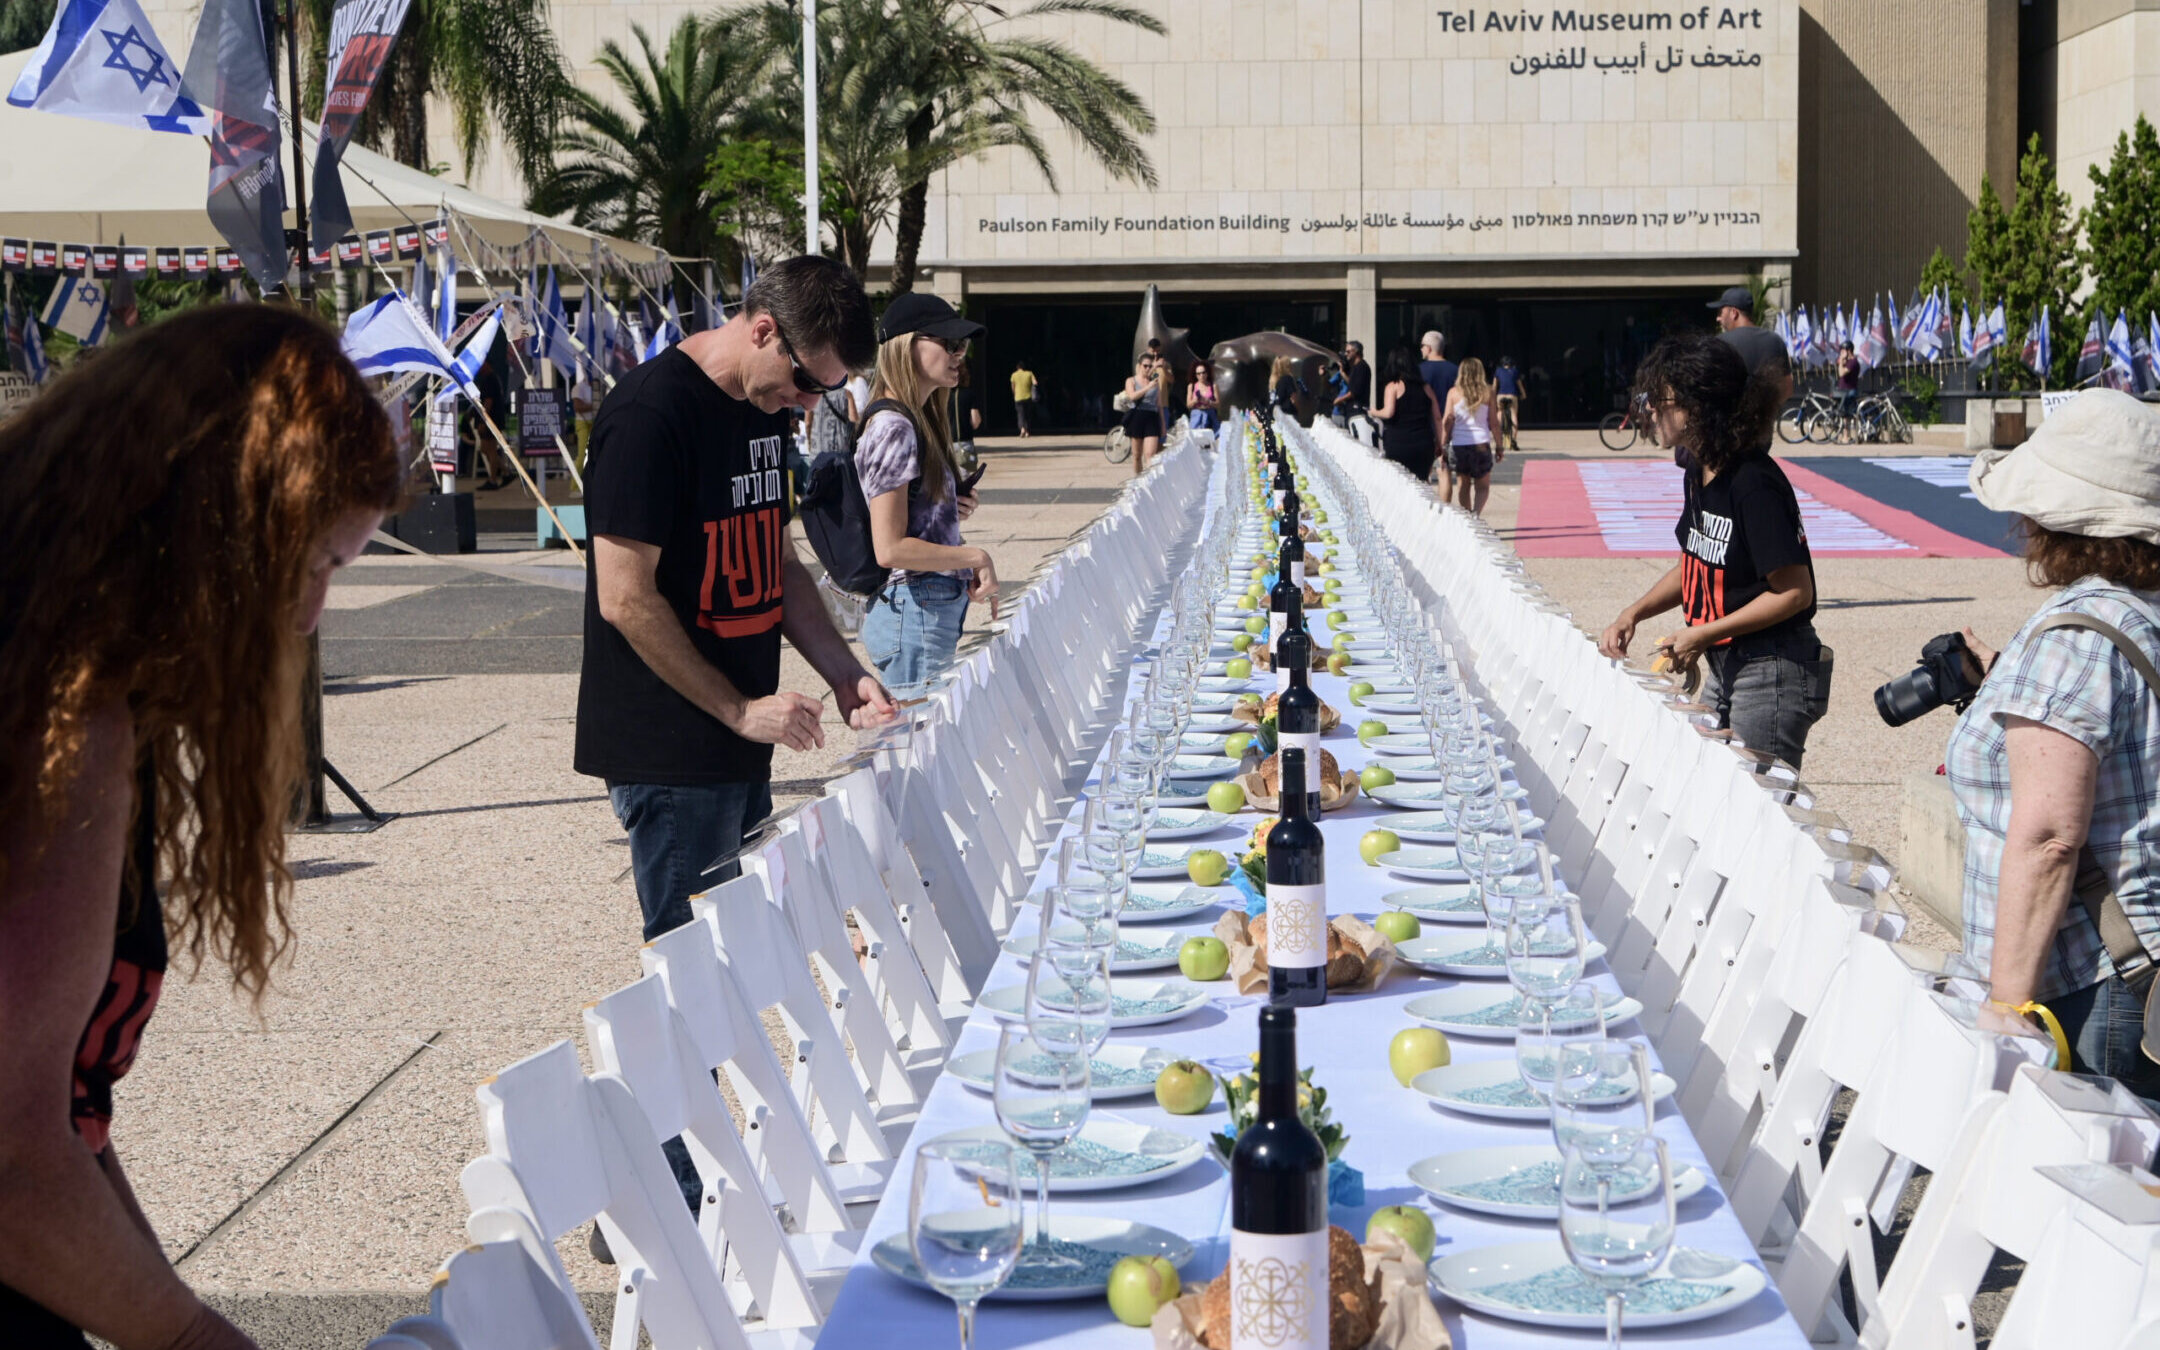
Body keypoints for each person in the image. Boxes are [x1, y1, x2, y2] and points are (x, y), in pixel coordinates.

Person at [0, 305, 404, 1349]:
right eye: (313, 563)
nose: (310, 616)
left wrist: (155, 1301)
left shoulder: (84, 694)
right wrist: (189, 1338)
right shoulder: (62, 715)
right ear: (213, 530)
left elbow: (66, 1119)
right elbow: (9, 1151)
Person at [577, 253, 896, 952]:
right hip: (672, 750)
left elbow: (774, 561)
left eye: (827, 392)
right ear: (761, 331)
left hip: (744, 740)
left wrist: (844, 673)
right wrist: (739, 711)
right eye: (807, 381)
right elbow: (624, 598)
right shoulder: (648, 415)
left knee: (744, 956)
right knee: (697, 967)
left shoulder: (762, 408)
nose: (809, 404)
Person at [1947, 391, 2160, 1097]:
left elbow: (2048, 839)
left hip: (2088, 982)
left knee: (2084, 1189)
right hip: (2140, 963)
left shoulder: (2076, 638)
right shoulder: (2136, 614)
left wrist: (2008, 1004)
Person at [1597, 331, 1830, 769]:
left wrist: (1701, 633)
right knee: (1714, 790)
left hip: (1773, 668)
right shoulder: (1701, 471)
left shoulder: (1752, 483)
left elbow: (1796, 593)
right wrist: (1634, 613)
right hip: (1728, 662)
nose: (1650, 409)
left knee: (1758, 810)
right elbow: (1696, 562)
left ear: (1696, 405)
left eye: (1659, 398)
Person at [858, 293, 1000, 696]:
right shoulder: (894, 426)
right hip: (914, 609)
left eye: (963, 345)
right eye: (949, 343)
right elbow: (890, 548)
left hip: (921, 609)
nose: (959, 354)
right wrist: (974, 556)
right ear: (907, 344)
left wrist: (943, 511)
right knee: (915, 750)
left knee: (924, 745)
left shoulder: (912, 419)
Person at [1371, 346, 1442, 484]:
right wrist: (1439, 443)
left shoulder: (1393, 386)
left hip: (1398, 442)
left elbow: (1388, 412)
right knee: (1421, 483)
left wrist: (1374, 412)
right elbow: (1437, 417)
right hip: (1423, 442)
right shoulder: (1426, 388)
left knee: (1399, 484)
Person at [1442, 358, 1500, 516]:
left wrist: (1443, 445)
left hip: (1459, 444)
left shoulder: (1453, 393)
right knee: (1482, 486)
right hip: (1480, 442)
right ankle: (1476, 514)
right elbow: (1494, 423)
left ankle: (1468, 517)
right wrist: (1500, 446)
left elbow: (1447, 421)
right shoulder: (1488, 392)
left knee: (1463, 484)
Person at [1419, 330, 1460, 499]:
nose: (1420, 349)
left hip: (1424, 427)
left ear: (1428, 348)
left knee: (1421, 473)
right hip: (1450, 427)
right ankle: (1446, 510)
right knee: (1444, 471)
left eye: (1422, 346)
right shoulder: (1455, 370)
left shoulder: (1418, 370)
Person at [1122, 352, 1167, 474]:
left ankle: (1149, 482)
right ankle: (1137, 481)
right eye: (1145, 366)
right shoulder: (1131, 380)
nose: (1147, 368)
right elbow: (1132, 396)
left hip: (1152, 417)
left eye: (1149, 366)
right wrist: (1148, 387)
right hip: (1137, 416)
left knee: (1150, 454)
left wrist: (1163, 425)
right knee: (1137, 455)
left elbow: (1159, 405)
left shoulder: (1155, 382)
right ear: (1140, 366)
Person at [950, 361, 982, 473]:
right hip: (964, 442)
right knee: (964, 482)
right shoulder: (969, 395)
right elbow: (975, 421)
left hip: (944, 442)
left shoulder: (940, 396)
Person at [1494, 355, 1525, 454]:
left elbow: (1495, 386)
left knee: (1500, 412)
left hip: (1501, 395)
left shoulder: (1498, 371)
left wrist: (1492, 396)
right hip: (1512, 395)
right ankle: (1513, 440)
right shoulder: (1515, 371)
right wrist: (1523, 395)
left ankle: (1498, 439)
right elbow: (1519, 385)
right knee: (1513, 414)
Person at [1338, 340, 1372, 414]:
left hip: (1358, 409)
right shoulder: (1354, 367)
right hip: (1351, 409)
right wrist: (1342, 372)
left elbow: (1354, 391)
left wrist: (1339, 400)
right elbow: (1352, 384)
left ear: (1356, 351)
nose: (1346, 354)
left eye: (1348, 351)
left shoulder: (1362, 367)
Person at [1187, 361, 1220, 432]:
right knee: (1196, 438)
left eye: (1203, 372)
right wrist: (1195, 401)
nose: (1201, 375)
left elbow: (1218, 404)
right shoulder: (1191, 386)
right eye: (1198, 374)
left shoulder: (1213, 386)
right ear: (1195, 375)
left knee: (1212, 438)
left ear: (1207, 373)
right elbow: (1188, 405)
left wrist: (1209, 401)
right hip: (1196, 416)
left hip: (1210, 416)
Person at [1009, 360, 1037, 436]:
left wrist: (1014, 394)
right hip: (1028, 397)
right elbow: (1035, 382)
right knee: (1027, 414)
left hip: (1018, 397)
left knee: (1020, 414)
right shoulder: (1029, 373)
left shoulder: (1014, 375)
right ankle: (1027, 431)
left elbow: (1013, 386)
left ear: (1017, 367)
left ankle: (1022, 429)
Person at [1835, 340, 1860, 417]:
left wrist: (1841, 361)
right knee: (1844, 414)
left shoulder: (1853, 362)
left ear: (1848, 350)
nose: (1841, 352)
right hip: (1843, 391)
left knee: (1848, 413)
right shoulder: (1848, 361)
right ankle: (1846, 429)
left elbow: (1841, 373)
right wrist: (1842, 361)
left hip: (1849, 391)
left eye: (1843, 350)